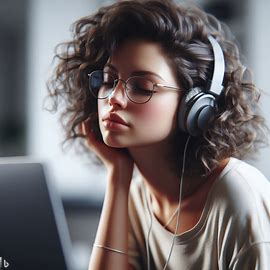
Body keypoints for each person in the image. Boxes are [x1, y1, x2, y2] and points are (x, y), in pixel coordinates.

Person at [46, 0, 270, 269]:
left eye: (141, 86)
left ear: (196, 106)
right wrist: (118, 177)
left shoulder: (237, 196)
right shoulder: (137, 194)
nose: (113, 98)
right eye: (108, 80)